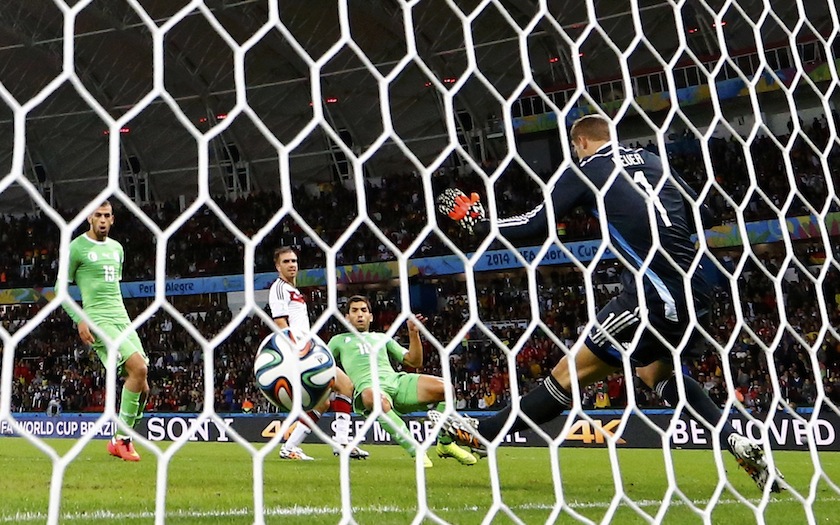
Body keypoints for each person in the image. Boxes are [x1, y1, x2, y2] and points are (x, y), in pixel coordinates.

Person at [431, 115, 784, 492]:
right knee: (654, 373)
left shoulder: (586, 171)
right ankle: (736, 441)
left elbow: (536, 224)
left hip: (651, 294)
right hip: (696, 290)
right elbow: (705, 214)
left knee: (569, 374)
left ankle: (482, 433)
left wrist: (480, 223)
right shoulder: (652, 160)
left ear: (580, 143)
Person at [328, 295, 477, 468]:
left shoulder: (382, 338)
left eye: (364, 310)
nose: (359, 314)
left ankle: (445, 444)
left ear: (371, 316)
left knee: (446, 389)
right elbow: (323, 365)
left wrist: (414, 334)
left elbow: (414, 362)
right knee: (374, 398)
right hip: (370, 389)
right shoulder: (338, 341)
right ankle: (416, 450)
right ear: (346, 317)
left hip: (397, 382)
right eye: (354, 311)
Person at [59, 201, 149, 462]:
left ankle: (119, 439)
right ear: (89, 217)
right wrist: (80, 319)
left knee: (144, 387)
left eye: (106, 215)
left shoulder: (117, 249)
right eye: (97, 215)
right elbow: (60, 290)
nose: (102, 220)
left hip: (122, 319)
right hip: (98, 320)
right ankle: (122, 439)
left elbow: (112, 290)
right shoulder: (76, 248)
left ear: (113, 220)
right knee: (138, 369)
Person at [269, 247, 368, 461]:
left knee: (322, 403)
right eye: (286, 261)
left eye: (294, 260)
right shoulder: (279, 289)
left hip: (308, 347)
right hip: (301, 351)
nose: (292, 264)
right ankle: (341, 443)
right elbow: (280, 323)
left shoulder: (292, 290)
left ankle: (290, 447)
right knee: (345, 385)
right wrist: (296, 352)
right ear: (278, 266)